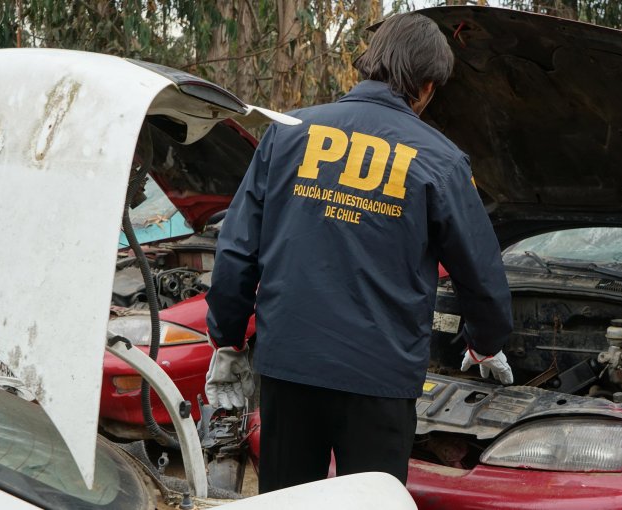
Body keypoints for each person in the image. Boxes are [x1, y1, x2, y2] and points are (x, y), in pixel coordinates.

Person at [203, 12, 513, 493]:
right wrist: (486, 341)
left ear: (368, 64)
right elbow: (481, 275)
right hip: (380, 380)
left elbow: (237, 251)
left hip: (289, 368)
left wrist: (227, 338)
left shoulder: (288, 133)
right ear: (428, 87)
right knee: (371, 501)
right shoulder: (441, 161)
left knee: (286, 503)